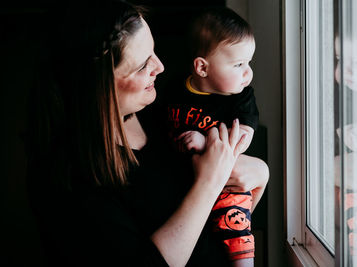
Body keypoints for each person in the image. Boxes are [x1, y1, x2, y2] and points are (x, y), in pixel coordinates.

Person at [25, 1, 269, 266]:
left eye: (153, 51)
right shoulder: (68, 180)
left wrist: (260, 174)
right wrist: (210, 181)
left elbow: (212, 229)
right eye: (142, 66)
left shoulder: (160, 116)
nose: (160, 67)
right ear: (98, 86)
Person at [162, 7, 260, 266]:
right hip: (185, 187)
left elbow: (241, 141)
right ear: (202, 67)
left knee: (236, 227)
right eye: (238, 64)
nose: (248, 73)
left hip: (227, 184)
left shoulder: (241, 98)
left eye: (248, 63)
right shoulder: (173, 90)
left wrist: (206, 142)